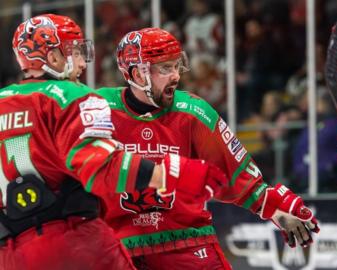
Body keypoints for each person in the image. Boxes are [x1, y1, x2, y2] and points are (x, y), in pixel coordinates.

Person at [0, 14, 228, 270]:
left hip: (8, 253)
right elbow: (101, 165)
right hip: (72, 242)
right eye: (75, 52)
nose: (82, 63)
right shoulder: (72, 96)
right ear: (53, 58)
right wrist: (169, 174)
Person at [95, 27, 320, 269]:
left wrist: (273, 206)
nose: (176, 76)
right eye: (165, 68)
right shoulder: (98, 110)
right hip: (119, 246)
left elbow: (233, 173)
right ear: (137, 74)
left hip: (185, 241)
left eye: (176, 66)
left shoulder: (194, 112)